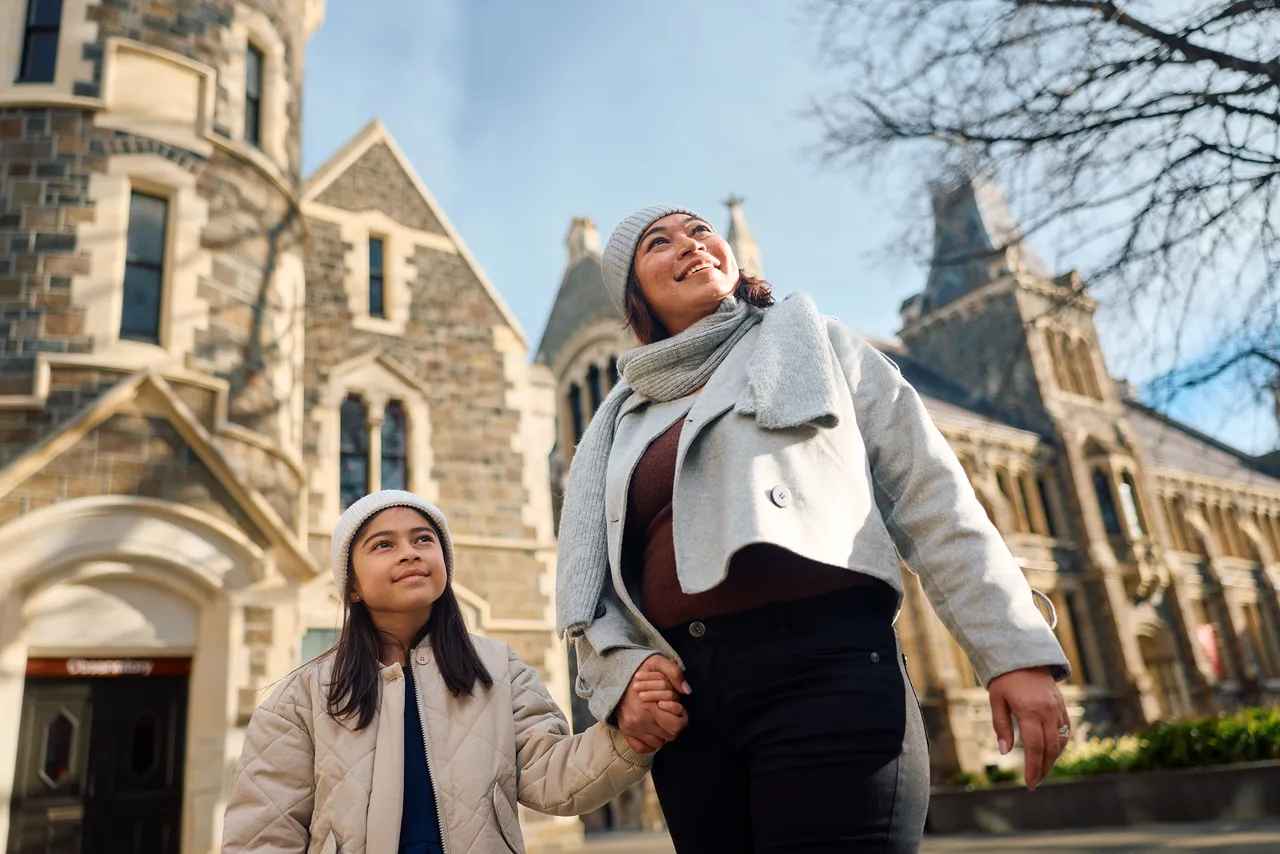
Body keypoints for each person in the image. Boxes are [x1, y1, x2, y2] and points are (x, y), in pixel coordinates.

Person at [555, 205, 1073, 853]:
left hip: (826, 672)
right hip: (690, 709)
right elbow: (591, 578)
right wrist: (622, 675)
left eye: (698, 229)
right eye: (659, 243)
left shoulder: (818, 342)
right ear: (634, 294)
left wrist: (1013, 648)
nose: (690, 244)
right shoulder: (619, 418)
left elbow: (932, 497)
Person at [222, 490, 669, 854]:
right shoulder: (300, 699)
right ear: (352, 585)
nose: (409, 554)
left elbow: (553, 777)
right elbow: (262, 836)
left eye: (423, 540)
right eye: (383, 544)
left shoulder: (499, 668)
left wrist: (628, 737)